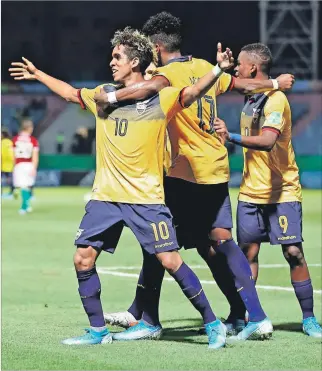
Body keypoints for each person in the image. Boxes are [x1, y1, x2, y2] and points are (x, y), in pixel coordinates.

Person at [9, 27, 238, 349]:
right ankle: (98, 331)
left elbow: (191, 94)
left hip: (145, 198)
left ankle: (213, 323)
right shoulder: (102, 96)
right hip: (105, 196)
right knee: (83, 259)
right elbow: (70, 94)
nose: (111, 62)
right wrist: (38, 74)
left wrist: (217, 70)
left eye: (117, 57)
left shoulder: (161, 98)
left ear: (135, 61)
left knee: (170, 261)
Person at [97, 12, 294, 341]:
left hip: (185, 173)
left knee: (157, 243)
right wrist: (274, 83)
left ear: (157, 47)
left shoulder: (165, 74)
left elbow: (149, 88)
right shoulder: (206, 67)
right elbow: (243, 84)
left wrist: (113, 96)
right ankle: (253, 316)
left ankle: (147, 319)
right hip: (215, 169)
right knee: (217, 243)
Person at [213, 43, 322, 339]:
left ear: (252, 68)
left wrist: (230, 136)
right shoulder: (249, 97)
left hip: (281, 191)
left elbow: (267, 141)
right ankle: (245, 316)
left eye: (241, 65)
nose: (237, 69)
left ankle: (310, 319)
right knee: (247, 255)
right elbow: (227, 82)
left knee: (293, 252)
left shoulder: (275, 101)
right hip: (250, 191)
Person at [12, 119, 39, 214]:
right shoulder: (33, 140)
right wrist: (34, 167)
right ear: (29, 128)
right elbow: (35, 156)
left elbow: (12, 155)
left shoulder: (15, 139)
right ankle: (25, 206)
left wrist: (14, 165)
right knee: (26, 186)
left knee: (22, 186)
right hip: (29, 164)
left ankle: (24, 206)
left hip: (19, 164)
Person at [1, 128, 15, 199]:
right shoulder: (10, 142)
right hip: (10, 164)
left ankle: (1, 193)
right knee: (10, 179)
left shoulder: (2, 142)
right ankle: (12, 193)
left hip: (2, 164)